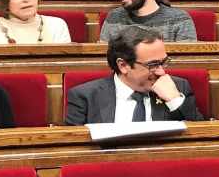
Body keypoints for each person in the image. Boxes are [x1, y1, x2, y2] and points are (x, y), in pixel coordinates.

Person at [64, 26, 205, 124]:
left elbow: (203, 141)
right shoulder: (86, 97)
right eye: (153, 65)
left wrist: (174, 100)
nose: (162, 71)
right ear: (123, 65)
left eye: (164, 62)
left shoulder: (178, 87)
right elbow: (73, 151)